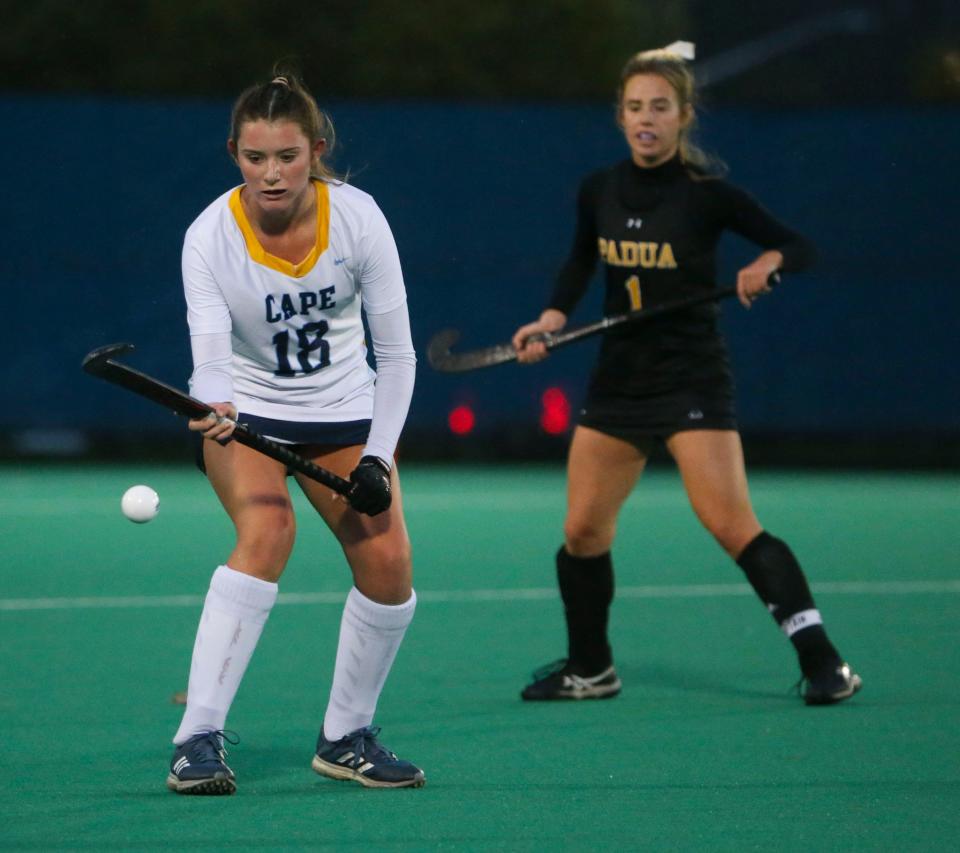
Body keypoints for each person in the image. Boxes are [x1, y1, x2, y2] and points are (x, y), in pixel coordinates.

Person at [511, 43, 861, 706]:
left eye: (661, 108)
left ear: (684, 116)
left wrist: (769, 262)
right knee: (583, 532)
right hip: (620, 381)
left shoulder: (710, 197)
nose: (647, 118)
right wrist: (551, 317)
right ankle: (592, 667)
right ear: (621, 116)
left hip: (691, 379)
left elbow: (801, 245)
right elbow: (582, 262)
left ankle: (825, 662)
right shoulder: (600, 189)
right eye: (636, 107)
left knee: (730, 522)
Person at [166, 70, 423, 794]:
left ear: (314, 149)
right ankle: (197, 738)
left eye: (286, 156)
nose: (271, 174)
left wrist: (378, 455)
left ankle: (346, 736)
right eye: (255, 158)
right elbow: (211, 360)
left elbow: (397, 355)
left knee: (390, 563)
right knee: (269, 532)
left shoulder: (361, 219)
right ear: (233, 153)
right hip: (248, 413)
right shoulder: (209, 238)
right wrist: (212, 400)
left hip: (344, 410)